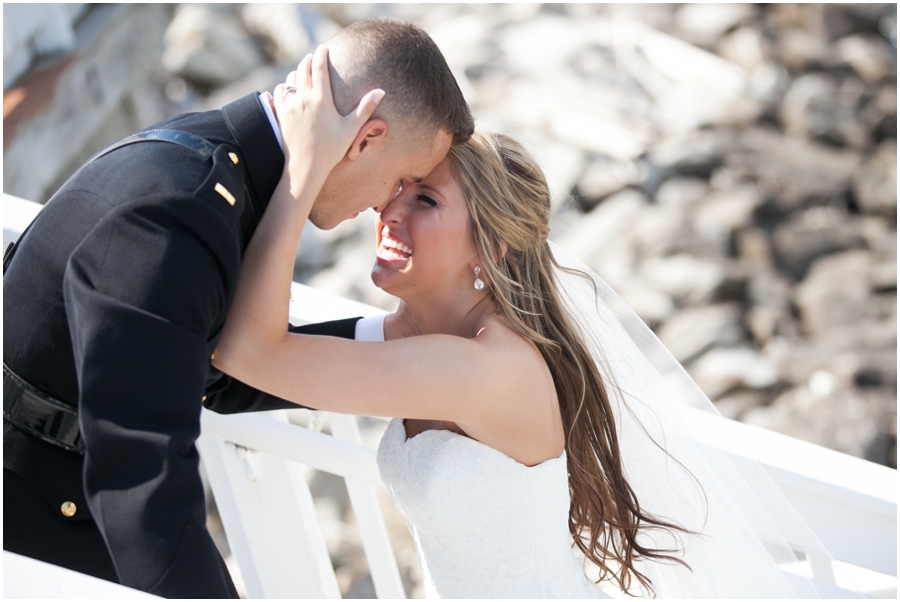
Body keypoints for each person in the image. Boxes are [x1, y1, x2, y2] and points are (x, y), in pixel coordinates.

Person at [215, 46, 853, 598]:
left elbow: (251, 352)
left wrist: (303, 174)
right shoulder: (422, 338)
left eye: (426, 199)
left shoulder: (487, 368)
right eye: (399, 186)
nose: (389, 210)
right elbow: (262, 347)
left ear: (490, 246)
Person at [3, 18, 473, 598]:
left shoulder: (224, 167)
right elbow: (139, 479)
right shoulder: (181, 212)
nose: (387, 206)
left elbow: (209, 362)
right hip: (29, 506)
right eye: (403, 179)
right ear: (366, 139)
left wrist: (395, 338)